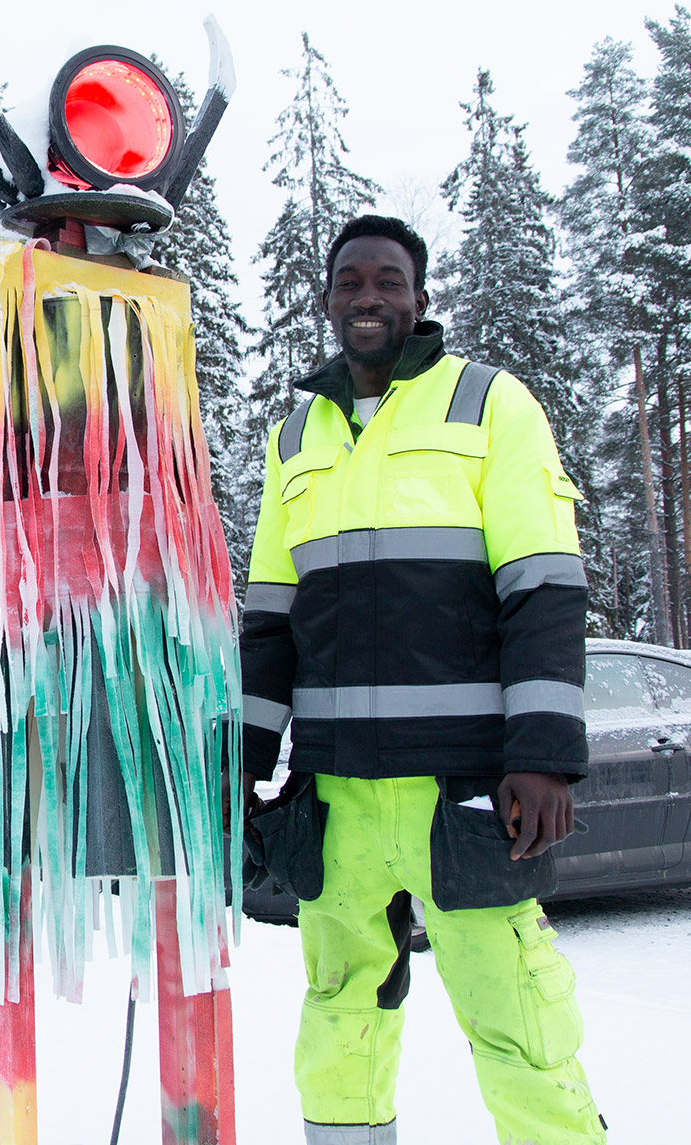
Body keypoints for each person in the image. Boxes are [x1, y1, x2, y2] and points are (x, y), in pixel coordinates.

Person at [239, 215, 605, 1144]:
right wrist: (240, 761)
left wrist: (546, 756)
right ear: (326, 301)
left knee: (517, 1022)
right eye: (351, 282)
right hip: (336, 797)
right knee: (340, 1015)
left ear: (420, 299)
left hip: (467, 792)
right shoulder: (295, 437)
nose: (369, 297)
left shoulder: (489, 406)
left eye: (389, 281)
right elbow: (272, 622)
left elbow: (546, 591)